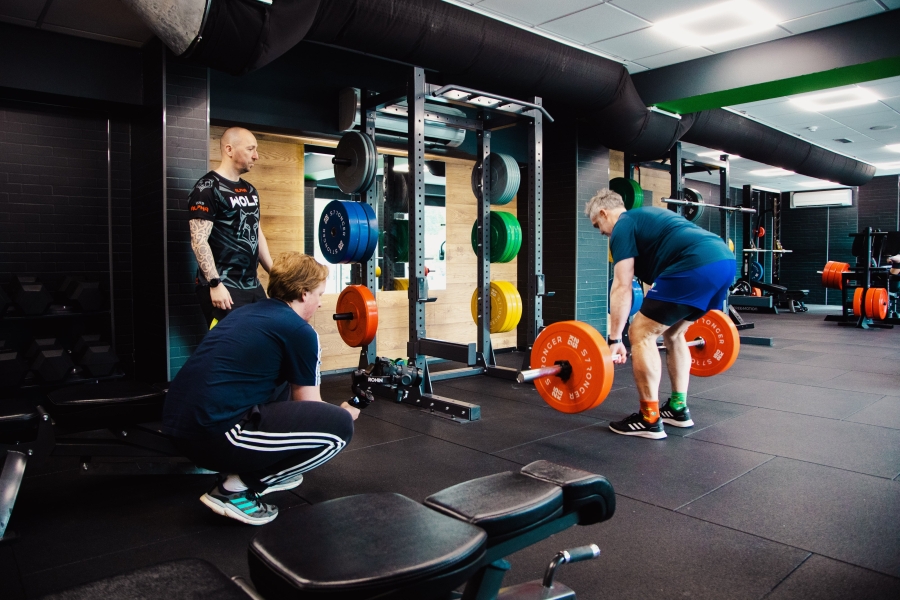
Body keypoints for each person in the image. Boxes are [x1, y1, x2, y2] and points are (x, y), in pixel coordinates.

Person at [162, 252, 359, 525]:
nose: (321, 303)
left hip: (175, 424)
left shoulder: (246, 312)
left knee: (280, 382)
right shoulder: (300, 331)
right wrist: (346, 413)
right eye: (319, 294)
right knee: (338, 429)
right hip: (212, 434)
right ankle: (235, 488)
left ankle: (256, 466)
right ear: (303, 294)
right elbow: (309, 406)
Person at [586, 189, 735, 440]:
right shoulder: (648, 218)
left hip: (695, 263)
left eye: (597, 224)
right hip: (724, 262)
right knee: (674, 333)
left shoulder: (623, 226)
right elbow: (653, 287)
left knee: (640, 333)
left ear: (604, 212)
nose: (601, 231)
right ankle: (677, 408)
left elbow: (622, 285)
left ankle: (649, 418)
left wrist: (615, 339)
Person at [189, 126, 273, 328]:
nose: (256, 156)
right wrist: (215, 284)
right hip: (223, 286)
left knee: (262, 337)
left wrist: (276, 274)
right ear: (229, 150)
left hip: (251, 285)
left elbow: (256, 234)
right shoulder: (207, 188)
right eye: (251, 149)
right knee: (231, 347)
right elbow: (198, 240)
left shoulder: (250, 191)